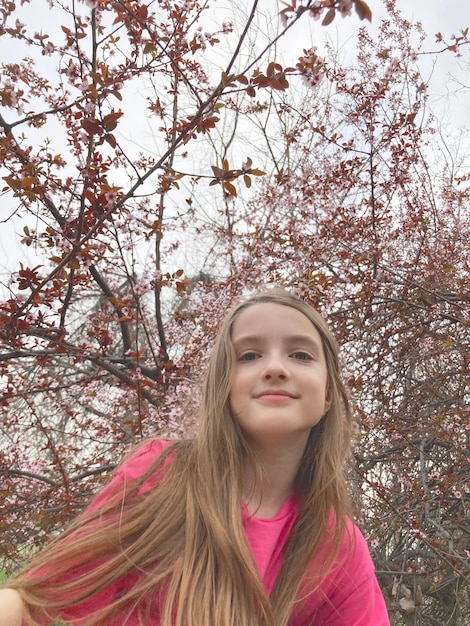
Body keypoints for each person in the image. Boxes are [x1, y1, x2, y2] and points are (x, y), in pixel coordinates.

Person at [0, 288, 390, 626]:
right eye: (250, 355)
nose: (274, 368)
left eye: (301, 355)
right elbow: (33, 600)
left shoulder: (335, 544)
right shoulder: (162, 476)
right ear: (223, 386)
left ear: (327, 396)